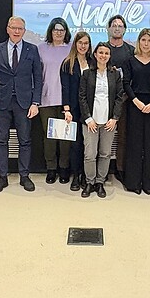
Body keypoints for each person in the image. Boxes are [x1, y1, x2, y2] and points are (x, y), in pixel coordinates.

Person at [0, 16, 42, 194]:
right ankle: (2, 177)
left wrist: (35, 102)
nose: (17, 31)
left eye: (20, 28)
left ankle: (24, 176)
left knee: (25, 140)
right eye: (14, 28)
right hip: (1, 102)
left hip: (24, 102)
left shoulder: (32, 49)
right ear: (7, 29)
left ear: (24, 31)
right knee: (1, 140)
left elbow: (38, 78)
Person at [79, 42, 124, 198]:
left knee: (105, 153)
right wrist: (88, 118)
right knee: (90, 154)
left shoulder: (115, 74)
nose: (103, 56)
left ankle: (100, 182)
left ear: (109, 56)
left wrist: (115, 118)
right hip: (90, 121)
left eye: (106, 53)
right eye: (101, 52)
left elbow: (119, 97)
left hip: (108, 122)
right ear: (95, 54)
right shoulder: (87, 74)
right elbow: (82, 97)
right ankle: (89, 182)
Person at [123, 28, 150, 194]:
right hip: (135, 104)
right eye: (143, 40)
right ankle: (133, 183)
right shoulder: (129, 61)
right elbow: (126, 83)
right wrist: (136, 101)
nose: (146, 44)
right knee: (134, 143)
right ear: (139, 42)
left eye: (149, 41)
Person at [38, 17, 72, 184]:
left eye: (62, 30)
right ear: (50, 31)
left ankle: (64, 168)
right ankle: (51, 168)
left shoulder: (72, 48)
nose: (58, 33)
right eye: (56, 29)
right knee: (49, 137)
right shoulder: (41, 48)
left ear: (66, 32)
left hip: (67, 100)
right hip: (46, 98)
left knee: (65, 136)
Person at [61, 31, 92, 191]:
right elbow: (65, 88)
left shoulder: (93, 62)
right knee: (75, 144)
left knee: (89, 144)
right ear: (75, 44)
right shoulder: (67, 63)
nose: (83, 46)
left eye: (86, 43)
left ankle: (87, 176)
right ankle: (76, 175)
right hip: (73, 109)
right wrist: (66, 109)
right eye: (80, 43)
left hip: (90, 110)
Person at [106, 15, 134, 182]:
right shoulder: (102, 49)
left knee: (123, 136)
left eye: (120, 26)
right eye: (114, 25)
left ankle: (121, 169)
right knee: (102, 135)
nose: (117, 28)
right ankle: (102, 170)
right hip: (103, 99)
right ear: (109, 28)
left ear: (124, 29)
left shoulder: (131, 50)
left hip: (124, 99)